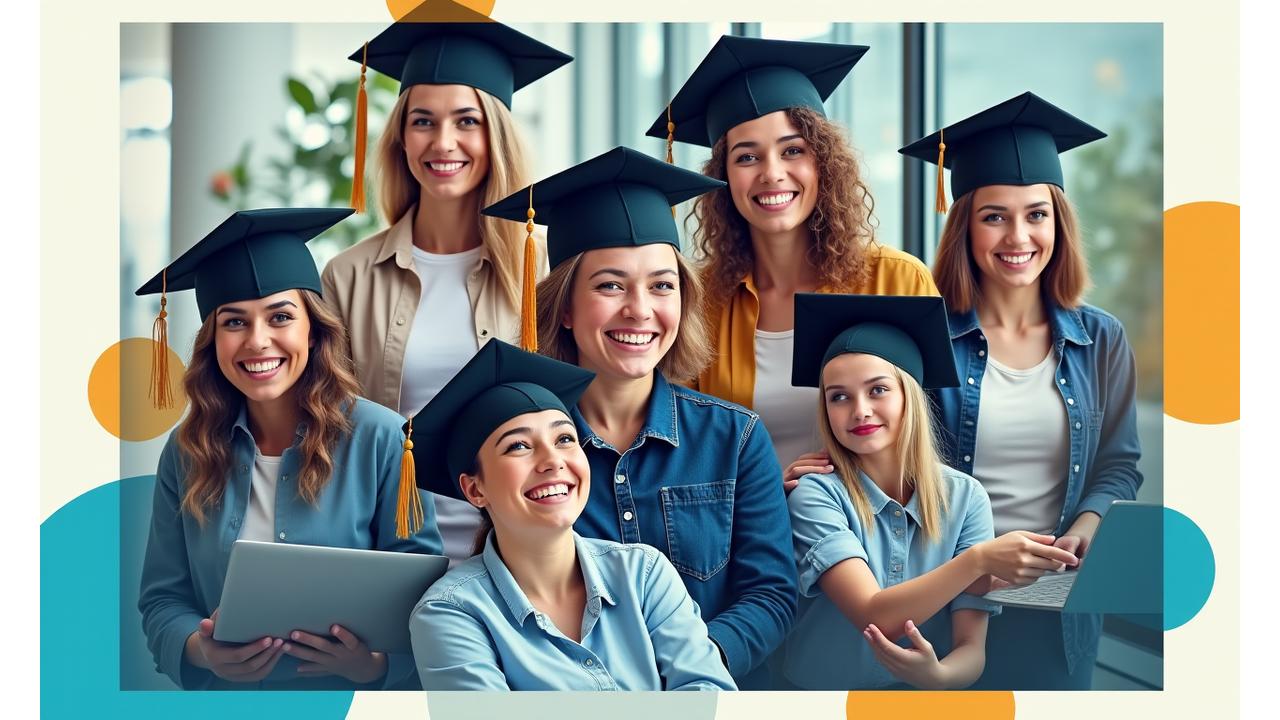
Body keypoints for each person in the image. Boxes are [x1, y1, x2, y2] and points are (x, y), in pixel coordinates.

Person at [482, 146, 797, 688]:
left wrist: (685, 667)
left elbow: (770, 594)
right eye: (610, 285)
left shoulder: (735, 438)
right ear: (563, 306)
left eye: (662, 285)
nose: (640, 309)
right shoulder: (523, 453)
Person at [135, 208, 443, 690]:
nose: (258, 342)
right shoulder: (187, 449)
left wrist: (375, 666)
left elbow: (426, 597)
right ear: (212, 340)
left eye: (280, 317)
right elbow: (162, 600)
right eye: (234, 322)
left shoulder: (384, 441)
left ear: (313, 329)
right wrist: (202, 651)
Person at [899, 91, 1144, 689]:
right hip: (945, 605)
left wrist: (1084, 529)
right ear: (965, 225)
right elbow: (893, 467)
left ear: (1058, 223)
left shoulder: (1101, 340)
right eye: (994, 216)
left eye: (1037, 214)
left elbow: (1118, 465)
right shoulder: (923, 337)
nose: (1018, 236)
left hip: (1059, 610)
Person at [321, 4, 572, 563]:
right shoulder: (349, 277)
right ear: (400, 139)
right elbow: (330, 434)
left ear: (497, 136)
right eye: (422, 120)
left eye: (467, 120)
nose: (443, 142)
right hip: (390, 553)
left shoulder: (546, 271)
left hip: (518, 560)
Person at [648, 35, 939, 485]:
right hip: (744, 544)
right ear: (722, 176)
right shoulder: (699, 303)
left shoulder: (896, 280)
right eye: (747, 156)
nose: (771, 173)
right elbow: (684, 455)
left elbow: (931, 442)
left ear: (823, 162)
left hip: (878, 541)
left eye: (792, 150)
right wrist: (765, 492)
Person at [782, 293, 1080, 690]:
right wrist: (979, 560)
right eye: (839, 396)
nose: (859, 410)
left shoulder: (966, 498)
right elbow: (874, 614)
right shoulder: (815, 495)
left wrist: (939, 676)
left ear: (910, 394)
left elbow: (971, 650)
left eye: (878, 390)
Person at [407, 340, 737, 691]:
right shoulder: (452, 613)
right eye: (518, 446)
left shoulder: (645, 574)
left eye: (565, 438)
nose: (553, 460)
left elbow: (711, 696)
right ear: (475, 490)